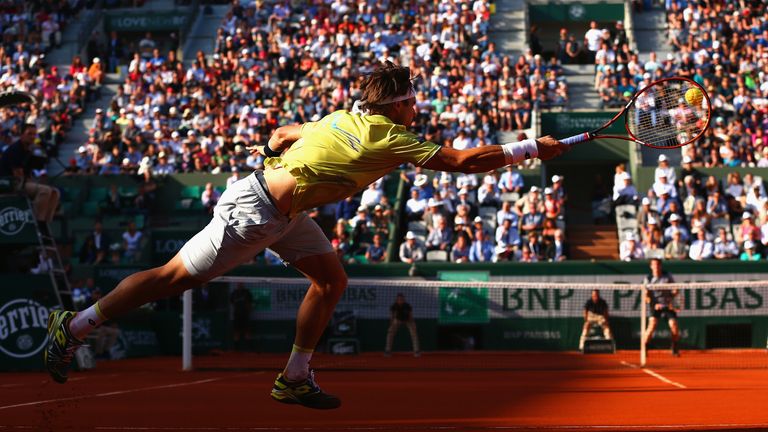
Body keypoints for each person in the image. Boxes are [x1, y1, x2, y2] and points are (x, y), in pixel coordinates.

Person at [44, 62, 567, 409]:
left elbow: (287, 132)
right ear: (396, 105)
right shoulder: (390, 137)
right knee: (171, 278)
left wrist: (276, 150)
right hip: (254, 212)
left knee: (330, 281)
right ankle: (77, 325)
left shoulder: (343, 115)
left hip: (285, 215)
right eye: (412, 102)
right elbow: (461, 162)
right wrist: (530, 148)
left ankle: (294, 376)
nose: (416, 108)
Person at [0, 123, 60, 234]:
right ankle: (37, 222)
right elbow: (19, 176)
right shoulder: (15, 149)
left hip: (21, 182)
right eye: (29, 134)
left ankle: (45, 223)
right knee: (44, 190)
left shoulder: (28, 150)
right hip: (9, 184)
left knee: (54, 192)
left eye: (34, 134)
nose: (32, 137)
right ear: (22, 135)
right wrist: (35, 183)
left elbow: (29, 174)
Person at [642, 258, 681, 356]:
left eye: (658, 265)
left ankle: (674, 347)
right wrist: (653, 303)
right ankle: (644, 347)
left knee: (674, 326)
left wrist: (674, 295)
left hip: (668, 305)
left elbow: (675, 289)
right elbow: (646, 296)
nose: (656, 267)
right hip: (655, 306)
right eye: (654, 265)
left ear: (660, 266)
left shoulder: (667, 276)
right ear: (651, 266)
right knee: (651, 326)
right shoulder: (648, 279)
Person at [384, 293, 420, 357]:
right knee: (390, 333)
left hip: (408, 320)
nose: (400, 300)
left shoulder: (407, 306)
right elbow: (392, 316)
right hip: (398, 320)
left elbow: (410, 316)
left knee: (414, 334)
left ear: (404, 300)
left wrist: (413, 324)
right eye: (399, 299)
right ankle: (388, 350)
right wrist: (391, 325)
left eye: (402, 299)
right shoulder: (394, 306)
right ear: (397, 300)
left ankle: (416, 351)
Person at [230, 283, 253, 351]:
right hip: (237, 315)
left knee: (247, 331)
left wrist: (248, 310)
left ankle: (248, 348)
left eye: (241, 283)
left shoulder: (247, 292)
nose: (239, 284)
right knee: (236, 332)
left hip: (245, 315)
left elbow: (250, 303)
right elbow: (232, 302)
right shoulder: (234, 293)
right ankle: (236, 349)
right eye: (238, 283)